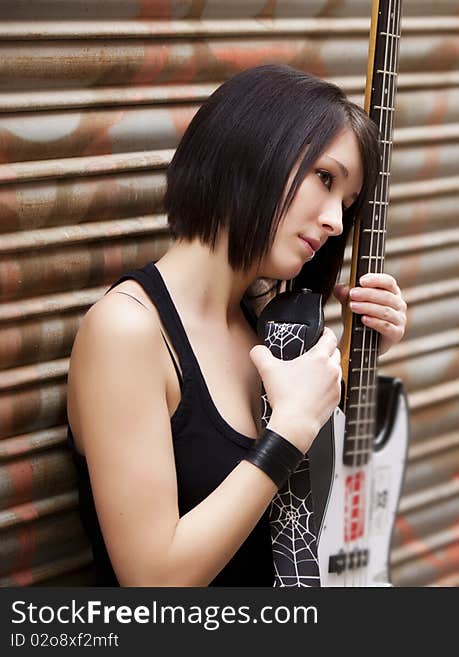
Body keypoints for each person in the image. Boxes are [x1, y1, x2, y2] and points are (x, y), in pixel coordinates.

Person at [65, 65, 407, 586]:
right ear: (251, 151)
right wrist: (289, 429)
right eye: (325, 178)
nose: (337, 221)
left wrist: (358, 362)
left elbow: (311, 536)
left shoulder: (269, 330)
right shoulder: (127, 332)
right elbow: (154, 581)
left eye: (348, 203)